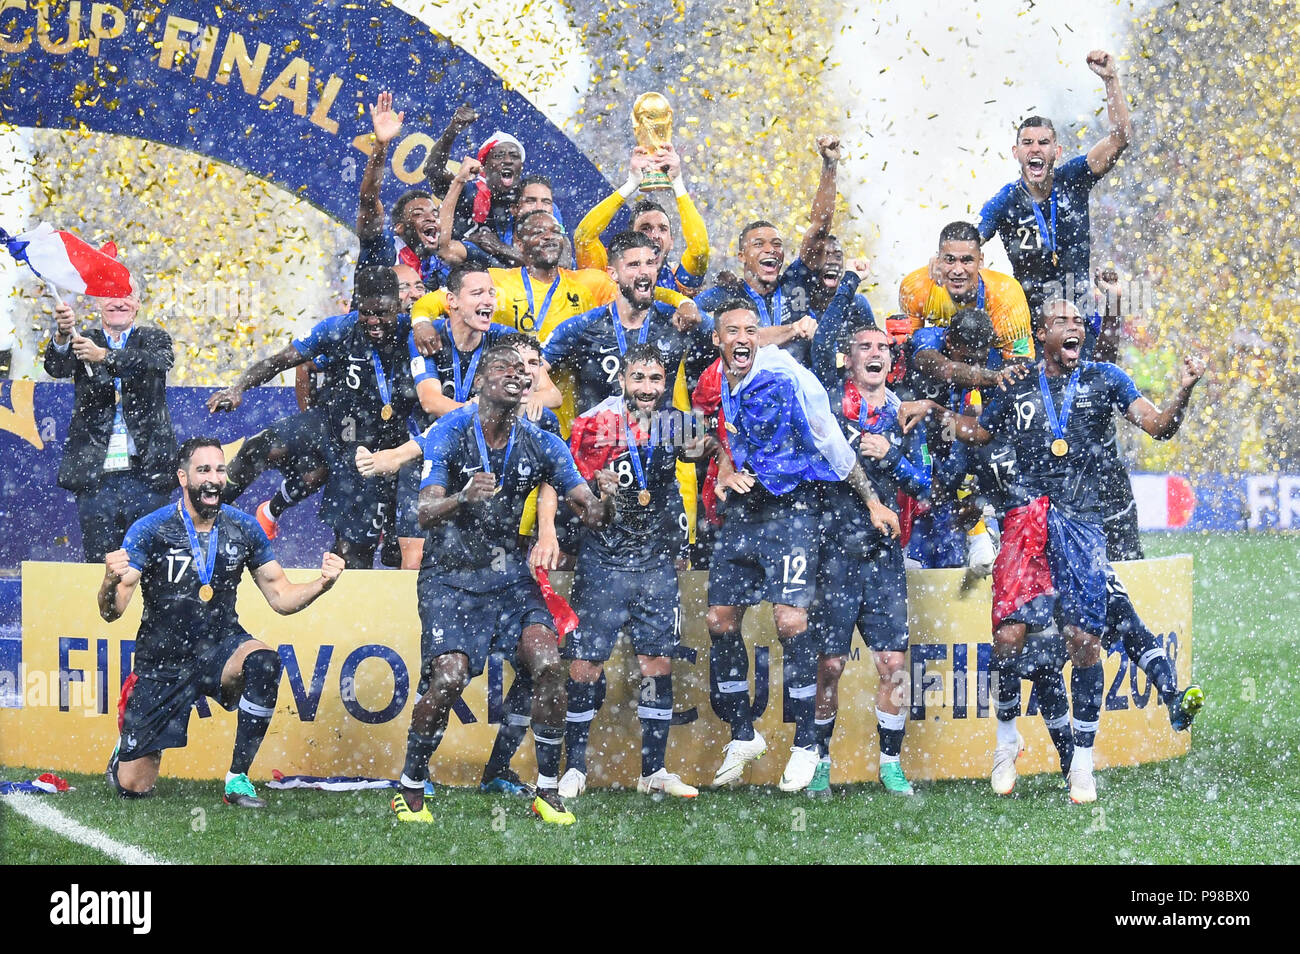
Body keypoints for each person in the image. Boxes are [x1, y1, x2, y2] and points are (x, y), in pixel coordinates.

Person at [900, 299, 1206, 803]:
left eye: (1078, 322)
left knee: (1085, 640)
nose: (1074, 328)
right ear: (1041, 333)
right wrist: (935, 411)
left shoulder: (1106, 378)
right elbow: (980, 430)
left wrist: (1185, 389)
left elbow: (1158, 426)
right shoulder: (1018, 381)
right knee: (1007, 638)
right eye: (1061, 321)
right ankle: (1006, 740)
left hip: (1082, 524)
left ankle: (1082, 764)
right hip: (1027, 520)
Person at [392, 344, 616, 825]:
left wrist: (607, 499)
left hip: (510, 575)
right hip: (450, 575)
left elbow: (591, 515)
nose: (516, 376)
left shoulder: (543, 442)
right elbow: (423, 512)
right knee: (449, 677)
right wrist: (462, 497)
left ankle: (548, 792)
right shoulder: (451, 431)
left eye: (523, 370)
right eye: (503, 368)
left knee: (549, 665)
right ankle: (410, 785)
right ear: (479, 382)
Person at [700, 301, 899, 790]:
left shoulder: (788, 381)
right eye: (734, 331)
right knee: (718, 618)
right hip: (745, 510)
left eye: (753, 330)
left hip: (792, 510)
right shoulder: (716, 379)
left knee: (790, 620)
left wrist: (872, 501)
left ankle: (808, 743)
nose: (745, 338)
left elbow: (833, 443)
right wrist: (725, 464)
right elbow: (714, 427)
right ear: (718, 341)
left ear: (763, 339)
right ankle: (744, 735)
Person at [100, 437, 343, 806]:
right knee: (133, 788)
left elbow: (280, 596)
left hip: (220, 647)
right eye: (203, 470)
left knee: (264, 662)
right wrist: (108, 581)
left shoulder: (243, 527)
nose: (214, 478)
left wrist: (322, 584)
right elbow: (112, 610)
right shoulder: (151, 529)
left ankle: (237, 778)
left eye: (220, 469)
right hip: (163, 659)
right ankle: (125, 751)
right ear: (183, 477)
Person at [550, 345, 704, 799]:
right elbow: (576, 498)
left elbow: (703, 453)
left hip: (655, 560)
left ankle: (653, 770)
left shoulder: (674, 422)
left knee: (657, 661)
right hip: (604, 559)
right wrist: (601, 495)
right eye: (639, 379)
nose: (648, 389)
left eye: (656, 380)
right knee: (585, 663)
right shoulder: (594, 424)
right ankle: (574, 767)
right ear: (623, 382)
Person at [209, 267, 416, 568]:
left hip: (378, 449)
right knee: (259, 446)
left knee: (353, 554)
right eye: (365, 312)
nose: (373, 321)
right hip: (330, 425)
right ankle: (203, 516)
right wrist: (238, 387)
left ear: (396, 305)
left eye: (381, 313)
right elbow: (281, 361)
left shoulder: (416, 332)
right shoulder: (339, 328)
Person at [808, 321, 930, 796]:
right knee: (830, 666)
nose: (876, 353)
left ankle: (891, 762)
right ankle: (819, 758)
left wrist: (892, 457)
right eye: (865, 346)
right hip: (835, 554)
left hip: (884, 558)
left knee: (894, 664)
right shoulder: (831, 409)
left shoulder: (905, 413)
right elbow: (816, 471)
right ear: (849, 358)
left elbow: (924, 484)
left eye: (883, 347)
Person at [979, 51, 1133, 317]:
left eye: (1043, 143)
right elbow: (971, 239)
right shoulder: (1005, 201)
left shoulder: (1072, 179)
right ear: (1016, 153)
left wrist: (1111, 80)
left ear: (1057, 151)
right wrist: (946, 258)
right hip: (1031, 323)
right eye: (1027, 143)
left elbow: (1119, 139)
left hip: (1079, 317)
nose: (1035, 149)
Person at [45, 290, 178, 563]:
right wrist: (61, 335)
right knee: (100, 562)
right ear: (98, 303)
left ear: (138, 304)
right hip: (97, 478)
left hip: (147, 475)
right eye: (110, 296)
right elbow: (56, 367)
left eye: (127, 296)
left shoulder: (154, 338)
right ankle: (105, 607)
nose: (118, 302)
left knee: (149, 562)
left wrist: (104, 356)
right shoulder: (84, 339)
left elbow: (155, 364)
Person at [694, 136, 843, 368]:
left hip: (797, 396)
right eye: (759, 244)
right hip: (746, 398)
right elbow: (693, 316)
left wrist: (829, 166)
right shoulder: (725, 296)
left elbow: (820, 228)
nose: (770, 250)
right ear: (741, 256)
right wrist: (792, 330)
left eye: (776, 244)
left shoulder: (796, 283)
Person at [542, 231, 710, 415]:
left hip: (659, 438)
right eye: (634, 265)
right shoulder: (584, 326)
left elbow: (728, 335)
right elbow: (535, 365)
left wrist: (688, 303)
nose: (644, 271)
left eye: (650, 264)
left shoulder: (677, 320)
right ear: (613, 274)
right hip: (601, 439)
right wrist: (543, 395)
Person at [572, 145, 710, 297]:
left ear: (671, 242)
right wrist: (631, 184)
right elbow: (583, 237)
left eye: (663, 229)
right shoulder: (610, 273)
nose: (655, 235)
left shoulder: (679, 281)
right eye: (646, 228)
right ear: (631, 237)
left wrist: (677, 182)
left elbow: (700, 250)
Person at [898, 221, 1034, 363]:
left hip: (988, 360)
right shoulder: (916, 286)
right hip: (942, 362)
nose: (957, 270)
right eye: (950, 260)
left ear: (980, 261)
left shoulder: (1007, 294)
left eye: (967, 261)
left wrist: (987, 378)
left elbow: (1022, 365)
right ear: (938, 261)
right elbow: (906, 352)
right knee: (920, 342)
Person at [357, 92, 447, 288]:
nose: (431, 218)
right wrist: (381, 145)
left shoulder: (446, 262)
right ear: (400, 227)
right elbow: (368, 200)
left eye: (434, 213)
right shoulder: (385, 248)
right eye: (418, 214)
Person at [422, 105, 531, 267]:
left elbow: (551, 266)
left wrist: (499, 247)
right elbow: (433, 170)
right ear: (485, 166)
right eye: (499, 156)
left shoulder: (532, 202)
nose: (507, 160)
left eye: (514, 156)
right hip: (459, 278)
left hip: (512, 286)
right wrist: (453, 130)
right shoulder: (468, 192)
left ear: (520, 167)